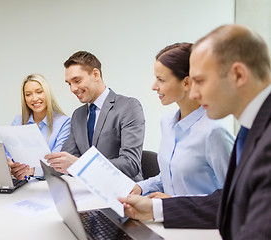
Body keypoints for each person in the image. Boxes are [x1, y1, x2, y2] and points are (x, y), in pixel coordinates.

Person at [119, 24, 271, 239]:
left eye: (200, 81)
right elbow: (228, 200)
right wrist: (157, 208)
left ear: (238, 75)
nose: (195, 93)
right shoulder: (254, 128)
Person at [131, 43, 234, 198]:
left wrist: (172, 203)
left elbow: (234, 196)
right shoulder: (167, 122)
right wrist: (140, 187)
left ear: (187, 83)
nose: (154, 86)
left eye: (161, 80)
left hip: (200, 222)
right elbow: (171, 176)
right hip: (166, 219)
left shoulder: (214, 131)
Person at [45, 51, 145, 181]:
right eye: (69, 83)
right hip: (88, 190)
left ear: (96, 74)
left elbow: (130, 164)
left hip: (125, 192)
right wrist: (31, 170)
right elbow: (67, 158)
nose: (73, 89)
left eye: (77, 80)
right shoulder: (78, 115)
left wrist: (79, 164)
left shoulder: (128, 106)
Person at [8, 73, 71, 180]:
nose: (34, 98)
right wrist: (9, 165)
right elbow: (7, 153)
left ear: (47, 93)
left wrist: (32, 171)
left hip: (47, 184)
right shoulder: (17, 121)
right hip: (20, 183)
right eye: (28, 94)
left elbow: (57, 164)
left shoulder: (64, 123)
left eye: (39, 92)